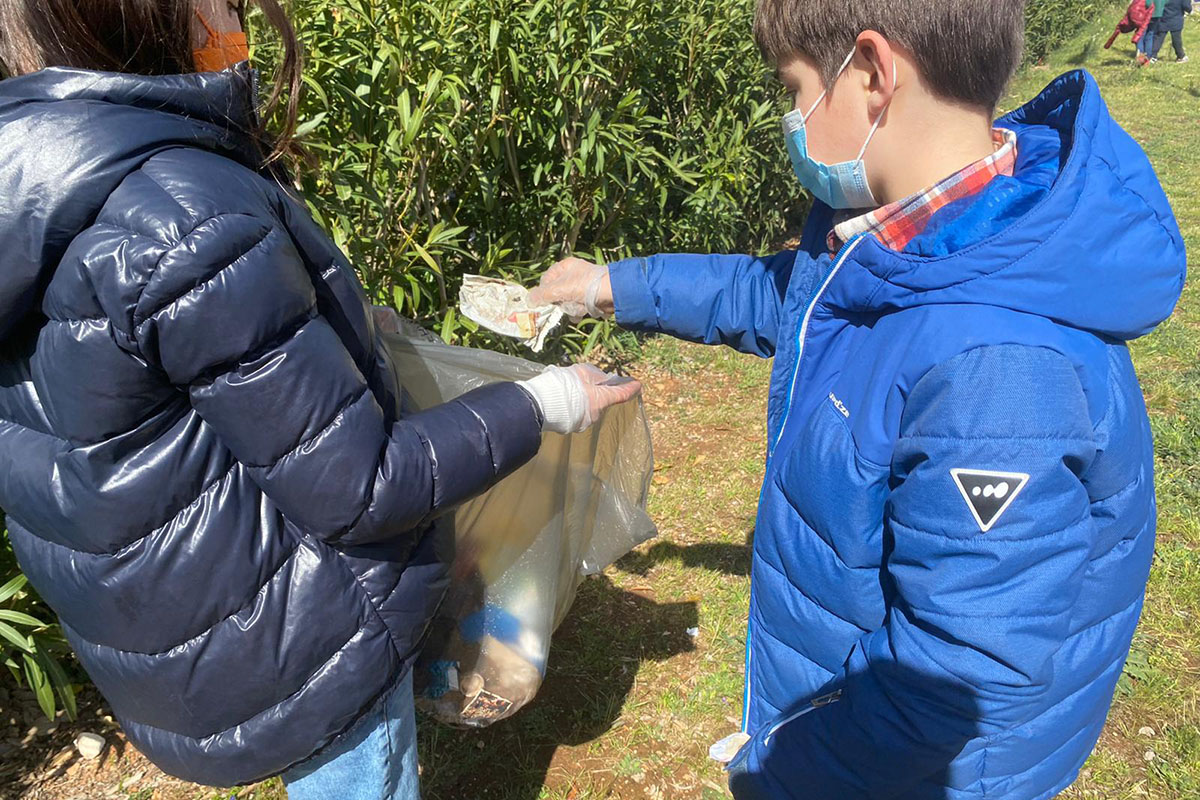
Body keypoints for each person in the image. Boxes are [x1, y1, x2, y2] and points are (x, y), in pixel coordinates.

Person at [531, 0, 1187, 797]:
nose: (792, 119)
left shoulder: (998, 378)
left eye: (795, 89)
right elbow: (780, 296)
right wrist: (612, 286)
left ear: (873, 72)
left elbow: (954, 672)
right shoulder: (908, 238)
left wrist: (779, 775)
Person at [0, 0, 640, 798]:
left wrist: (336, 329)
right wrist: (544, 402)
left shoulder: (34, 187)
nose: (236, 20)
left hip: (173, 634)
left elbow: (151, 393)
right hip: (296, 643)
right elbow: (362, 488)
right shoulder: (182, 209)